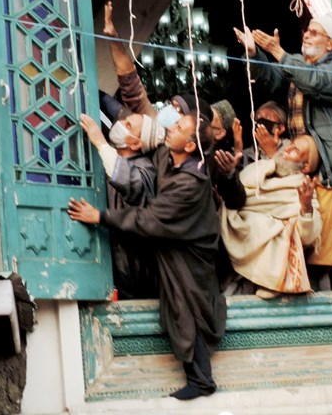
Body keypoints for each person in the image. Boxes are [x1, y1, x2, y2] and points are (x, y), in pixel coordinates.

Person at [68, 111, 226, 400]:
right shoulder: (168, 156)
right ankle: (200, 378)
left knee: (189, 310)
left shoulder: (190, 182)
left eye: (179, 126)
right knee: (179, 312)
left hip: (192, 257)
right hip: (174, 250)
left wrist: (100, 216)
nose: (171, 128)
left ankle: (202, 381)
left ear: (190, 145)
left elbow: (149, 218)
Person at [234, 10, 332, 287]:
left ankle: (325, 301)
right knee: (298, 240)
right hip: (299, 171)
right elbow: (273, 79)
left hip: (327, 175)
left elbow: (314, 82)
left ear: (331, 44)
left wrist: (279, 52)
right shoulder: (299, 67)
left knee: (318, 252)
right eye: (307, 30)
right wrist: (255, 54)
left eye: (315, 32)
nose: (307, 35)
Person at [218, 134, 322, 298]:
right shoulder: (262, 166)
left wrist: (306, 207)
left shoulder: (304, 189)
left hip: (266, 249)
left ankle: (274, 281)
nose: (286, 149)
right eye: (290, 144)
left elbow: (308, 236)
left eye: (295, 151)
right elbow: (238, 195)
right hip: (234, 232)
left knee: (282, 230)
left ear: (306, 166)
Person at [79, 111, 163, 299]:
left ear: (135, 143)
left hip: (130, 270)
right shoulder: (110, 157)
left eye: (128, 125)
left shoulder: (145, 169)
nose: (121, 124)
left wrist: (100, 142)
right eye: (124, 120)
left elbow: (131, 183)